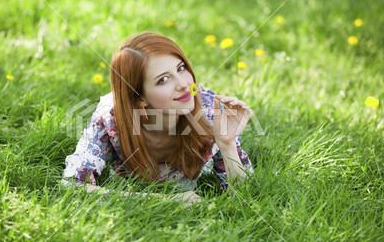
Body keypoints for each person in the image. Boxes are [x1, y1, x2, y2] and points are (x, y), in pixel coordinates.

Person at [62, 32, 254, 206]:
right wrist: (164, 201)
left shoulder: (209, 111)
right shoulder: (111, 118)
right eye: (163, 79)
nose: (183, 85)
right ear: (139, 97)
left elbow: (244, 196)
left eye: (181, 68)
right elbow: (73, 184)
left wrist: (227, 144)